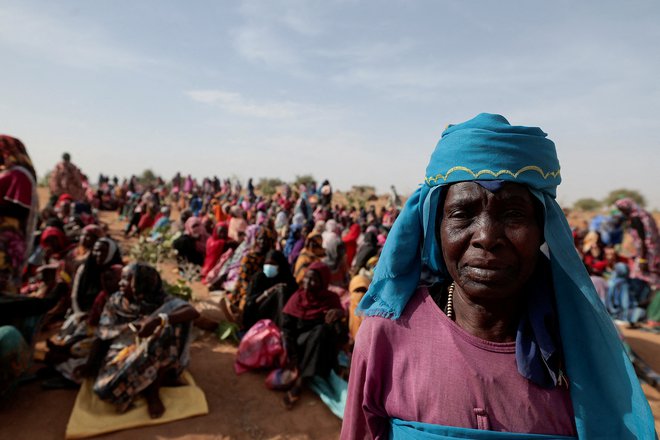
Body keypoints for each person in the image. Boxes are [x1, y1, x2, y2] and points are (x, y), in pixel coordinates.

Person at [341, 114, 655, 439]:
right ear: (436, 228)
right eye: (462, 214)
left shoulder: (580, 353)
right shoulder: (385, 337)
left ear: (543, 231)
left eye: (514, 214)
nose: (487, 237)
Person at [81, 263, 199, 418]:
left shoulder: (161, 301)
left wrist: (157, 320)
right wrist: (91, 364)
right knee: (106, 388)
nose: (120, 283)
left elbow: (191, 312)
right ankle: (148, 382)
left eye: (126, 279)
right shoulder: (116, 302)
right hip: (123, 348)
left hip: (157, 354)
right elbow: (103, 332)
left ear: (142, 283)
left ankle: (153, 391)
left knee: (166, 331)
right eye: (121, 278)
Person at [281, 262, 346, 408]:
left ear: (323, 282)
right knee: (319, 331)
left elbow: (340, 333)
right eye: (306, 278)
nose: (308, 283)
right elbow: (287, 331)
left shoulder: (331, 299)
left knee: (327, 329)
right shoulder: (298, 298)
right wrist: (294, 361)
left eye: (313, 280)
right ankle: (302, 379)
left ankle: (305, 377)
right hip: (301, 345)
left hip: (322, 347)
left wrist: (339, 314)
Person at [242, 249, 298, 330]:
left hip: (281, 313)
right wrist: (269, 292)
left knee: (282, 291)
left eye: (272, 264)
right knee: (280, 291)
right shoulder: (259, 278)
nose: (269, 267)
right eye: (267, 264)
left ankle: (284, 329)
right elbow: (250, 304)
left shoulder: (287, 279)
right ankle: (284, 329)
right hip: (260, 313)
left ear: (280, 265)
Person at [615, 198, 659, 289]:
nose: (622, 212)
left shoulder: (635, 218)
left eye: (622, 210)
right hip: (653, 250)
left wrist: (643, 259)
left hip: (647, 253)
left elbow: (642, 239)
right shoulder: (643, 214)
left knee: (641, 275)